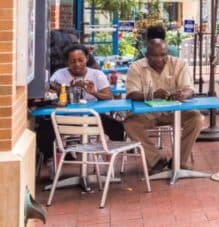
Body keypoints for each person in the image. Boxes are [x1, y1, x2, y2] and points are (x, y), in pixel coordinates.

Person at [37, 44, 125, 166]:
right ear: (67, 62)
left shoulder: (97, 75)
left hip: (92, 120)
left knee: (117, 128)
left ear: (87, 58)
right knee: (44, 130)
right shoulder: (59, 75)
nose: (77, 64)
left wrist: (94, 92)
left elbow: (108, 96)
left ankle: (109, 160)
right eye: (72, 61)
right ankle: (51, 160)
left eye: (80, 60)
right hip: (65, 120)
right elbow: (49, 94)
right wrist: (66, 90)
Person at [124, 39, 201, 174]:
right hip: (148, 114)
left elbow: (189, 89)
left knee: (196, 118)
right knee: (130, 123)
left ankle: (178, 161)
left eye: (163, 54)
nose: (160, 59)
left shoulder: (179, 64)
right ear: (147, 55)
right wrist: (152, 95)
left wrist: (182, 94)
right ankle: (155, 160)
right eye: (155, 55)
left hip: (174, 111)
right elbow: (131, 93)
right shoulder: (136, 67)